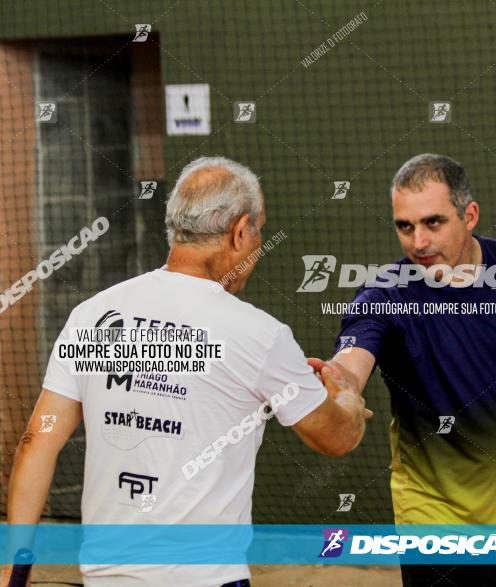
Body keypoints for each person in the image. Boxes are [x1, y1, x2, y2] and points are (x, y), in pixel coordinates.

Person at [2, 156, 372, 587]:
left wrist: (14, 573)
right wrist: (345, 398)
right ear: (239, 231)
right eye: (260, 230)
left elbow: (35, 444)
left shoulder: (93, 315)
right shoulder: (259, 334)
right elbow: (336, 437)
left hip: (107, 576)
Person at [309, 153, 496, 586]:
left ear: (469, 215)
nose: (418, 243)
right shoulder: (383, 294)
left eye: (433, 223)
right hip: (433, 520)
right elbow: (352, 363)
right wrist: (339, 382)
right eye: (404, 226)